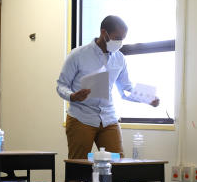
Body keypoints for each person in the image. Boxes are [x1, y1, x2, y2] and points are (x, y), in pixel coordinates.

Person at [56, 15, 160, 160]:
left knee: (118, 164)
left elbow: (126, 88)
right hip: (81, 117)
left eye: (123, 38)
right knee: (77, 166)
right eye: (117, 38)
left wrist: (147, 98)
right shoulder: (78, 55)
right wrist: (72, 96)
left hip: (108, 117)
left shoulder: (119, 58)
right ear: (103, 33)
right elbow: (61, 85)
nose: (120, 42)